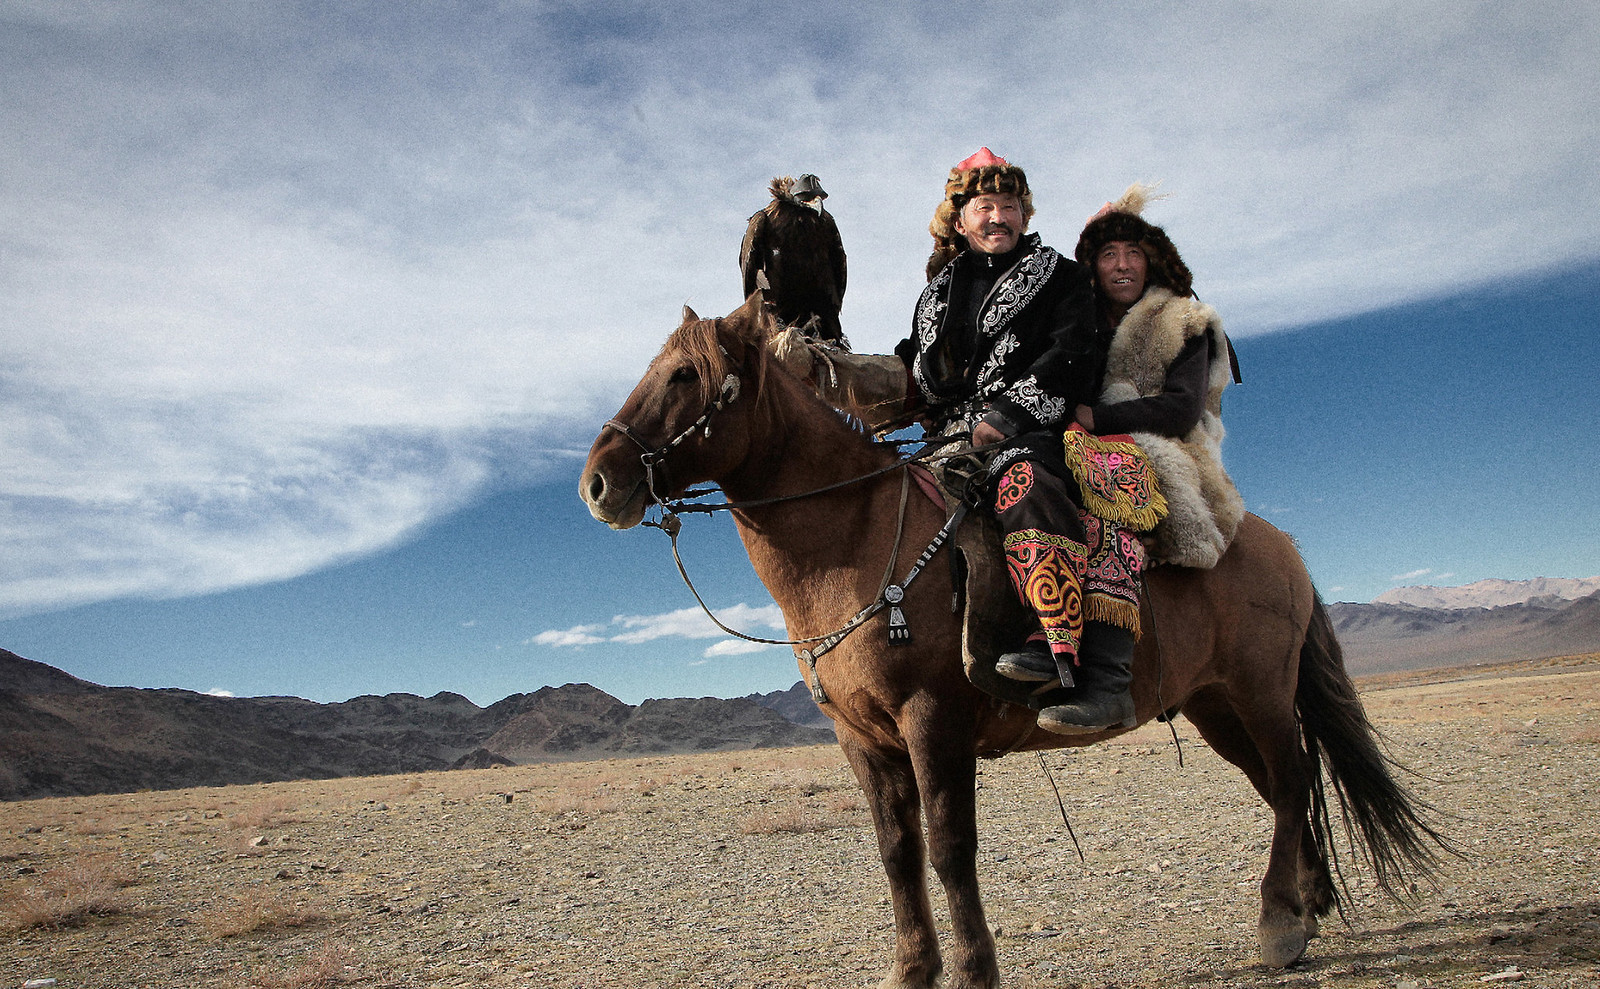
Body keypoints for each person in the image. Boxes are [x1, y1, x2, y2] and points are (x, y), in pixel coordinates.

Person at [893, 148, 1144, 734]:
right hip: (949, 437)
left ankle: (1060, 645)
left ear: (1025, 216)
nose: (998, 217)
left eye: (1009, 206)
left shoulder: (1062, 276)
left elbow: (1071, 351)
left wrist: (1006, 416)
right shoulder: (936, 293)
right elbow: (914, 367)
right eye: (985, 206)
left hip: (1039, 427)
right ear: (960, 220)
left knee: (1024, 480)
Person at [1071, 184, 1244, 572]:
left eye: (1134, 253)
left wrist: (1097, 418)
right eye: (1109, 254)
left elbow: (1183, 409)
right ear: (1093, 267)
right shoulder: (1076, 326)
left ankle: (1185, 541)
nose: (1123, 265)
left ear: (1150, 262)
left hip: (1173, 445)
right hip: (1079, 442)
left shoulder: (1186, 321)